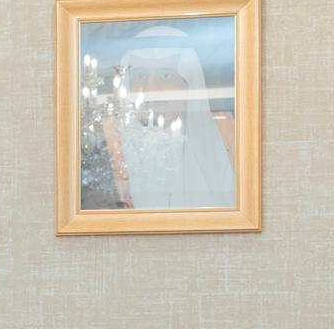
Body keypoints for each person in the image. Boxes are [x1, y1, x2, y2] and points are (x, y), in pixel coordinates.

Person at [77, 23, 239, 213]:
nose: (150, 88)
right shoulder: (105, 143)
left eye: (166, 74)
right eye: (140, 75)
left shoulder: (222, 139)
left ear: (187, 83)